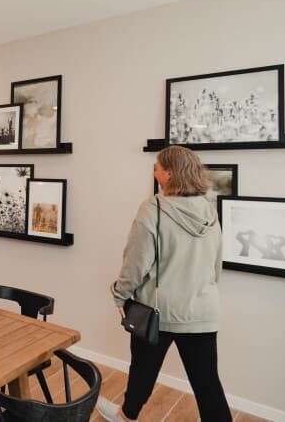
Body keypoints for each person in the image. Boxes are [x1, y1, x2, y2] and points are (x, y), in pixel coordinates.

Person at [97, 146, 231, 422]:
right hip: (202, 311)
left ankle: (126, 416)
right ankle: (125, 414)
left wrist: (120, 295)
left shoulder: (153, 208)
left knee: (143, 370)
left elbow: (135, 262)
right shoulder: (209, 209)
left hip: (158, 311)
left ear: (168, 174)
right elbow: (216, 266)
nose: (154, 172)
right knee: (207, 383)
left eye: (156, 167)